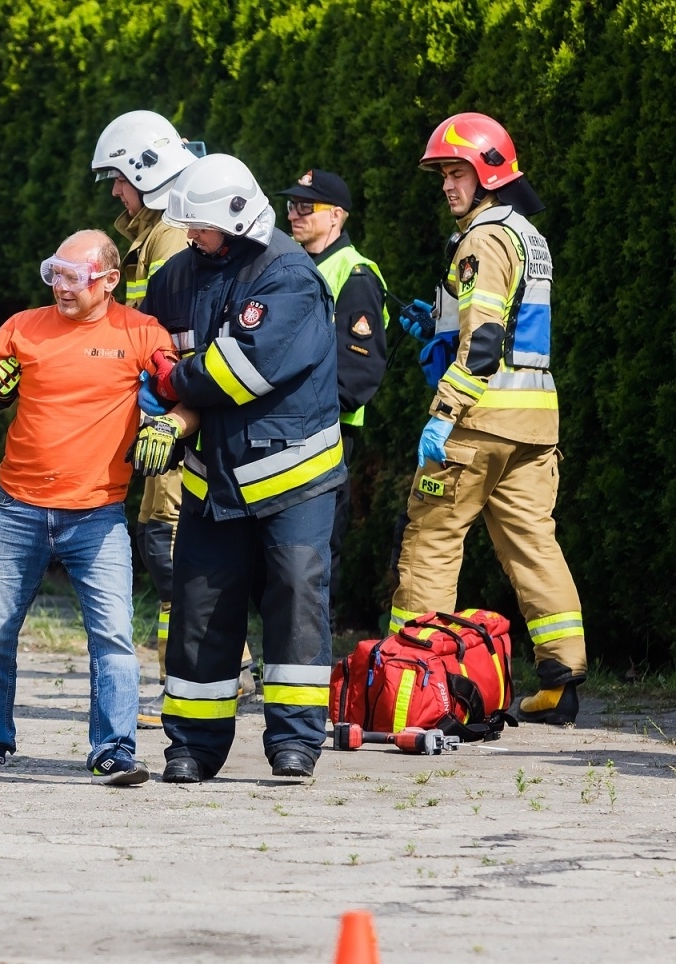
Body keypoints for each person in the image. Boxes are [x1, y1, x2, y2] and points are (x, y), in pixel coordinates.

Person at [139, 154, 341, 782]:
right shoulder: (177, 276)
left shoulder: (288, 275)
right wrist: (153, 400)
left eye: (200, 226)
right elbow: (145, 347)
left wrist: (175, 385)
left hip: (293, 476)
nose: (191, 236)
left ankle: (295, 742)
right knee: (200, 612)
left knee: (295, 600)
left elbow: (243, 370)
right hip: (211, 477)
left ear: (237, 217)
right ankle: (192, 747)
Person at [0, 230, 178, 786]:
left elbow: (178, 387)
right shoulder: (24, 325)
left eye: (74, 277)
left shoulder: (141, 331)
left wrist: (168, 420)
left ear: (109, 280)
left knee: (114, 636)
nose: (61, 287)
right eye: (55, 273)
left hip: (98, 514)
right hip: (17, 508)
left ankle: (114, 750)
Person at [390, 112, 586, 724]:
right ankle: (561, 682)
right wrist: (439, 327)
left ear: (490, 174)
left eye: (458, 173)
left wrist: (443, 412)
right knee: (534, 546)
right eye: (443, 175)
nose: (448, 186)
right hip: (534, 426)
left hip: (476, 425)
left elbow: (485, 341)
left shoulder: (482, 239)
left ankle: (412, 683)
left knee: (431, 543)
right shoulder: (527, 234)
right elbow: (503, 327)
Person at [91, 112, 197, 706]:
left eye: (119, 179)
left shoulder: (168, 236)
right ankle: (215, 668)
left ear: (147, 173)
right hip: (162, 407)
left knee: (169, 539)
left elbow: (167, 335)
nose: (114, 191)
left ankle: (184, 678)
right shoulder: (149, 234)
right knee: (173, 542)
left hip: (175, 414)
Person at [276, 168, 389, 615]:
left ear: (337, 216)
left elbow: (358, 373)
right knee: (283, 558)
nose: (295, 214)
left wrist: (307, 412)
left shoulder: (354, 272)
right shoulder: (296, 266)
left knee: (315, 555)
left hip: (327, 431)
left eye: (307, 207)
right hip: (288, 430)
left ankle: (311, 667)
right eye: (291, 205)